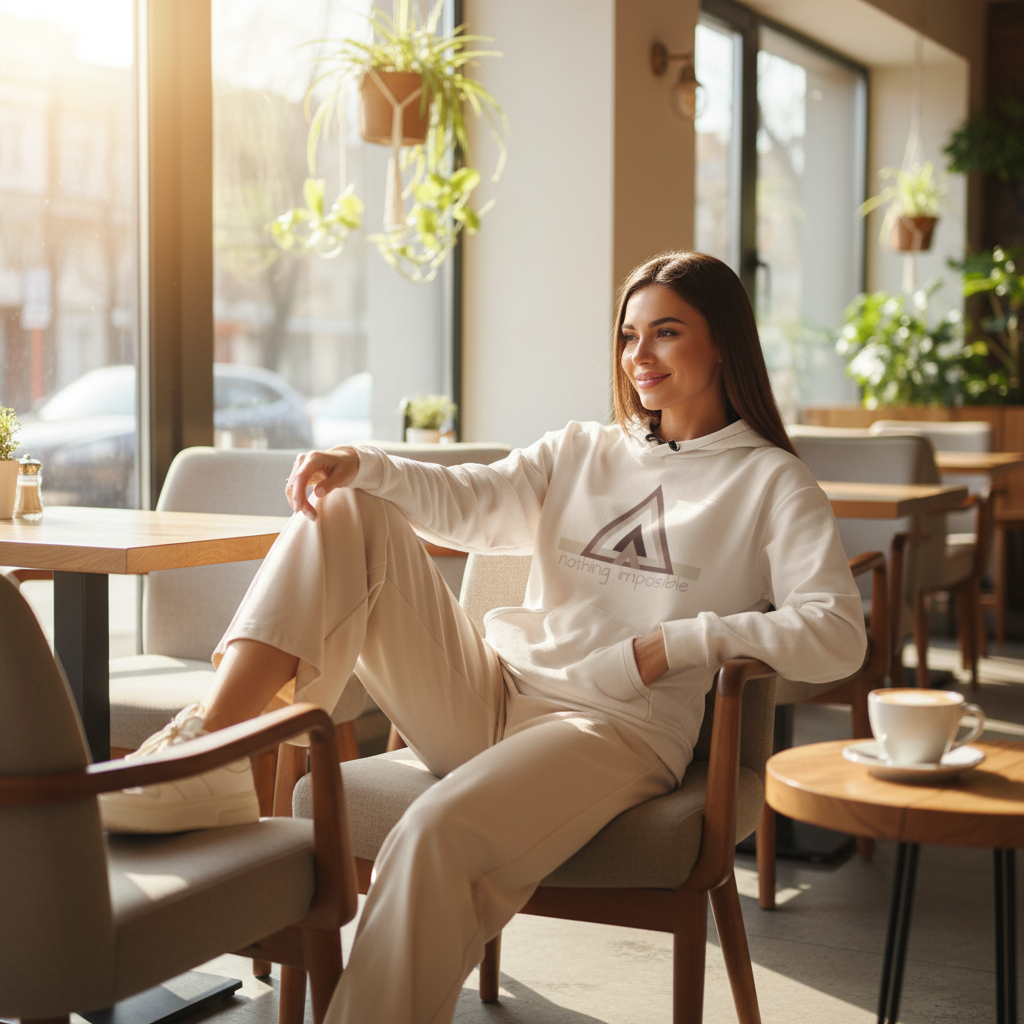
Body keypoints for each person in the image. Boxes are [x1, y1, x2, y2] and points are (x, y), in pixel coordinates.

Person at [100, 251, 867, 1024]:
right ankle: (213, 749)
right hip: (490, 694)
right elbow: (465, 502)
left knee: (432, 834)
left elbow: (838, 635)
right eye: (629, 335)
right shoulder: (583, 449)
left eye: (665, 334)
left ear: (724, 342)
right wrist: (360, 463)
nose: (639, 356)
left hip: (615, 727)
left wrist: (674, 646)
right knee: (345, 506)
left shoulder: (771, 482)